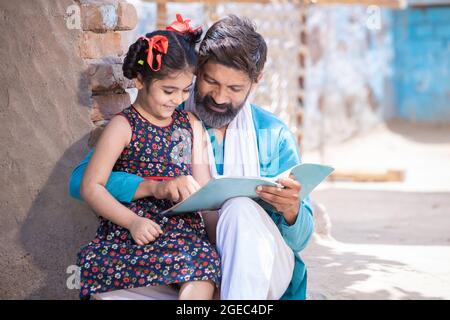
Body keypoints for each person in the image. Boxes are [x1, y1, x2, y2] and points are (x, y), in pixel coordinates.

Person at [70, 15, 314, 300]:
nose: (220, 98)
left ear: (255, 81)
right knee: (115, 291)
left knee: (238, 210)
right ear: (197, 71)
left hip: (259, 269)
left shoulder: (273, 135)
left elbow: (300, 240)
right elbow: (80, 183)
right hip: (179, 255)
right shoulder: (165, 116)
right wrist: (153, 186)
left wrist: (291, 210)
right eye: (210, 82)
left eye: (235, 89)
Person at [75, 16, 221, 300]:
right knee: (101, 266)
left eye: (184, 91)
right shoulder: (123, 126)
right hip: (133, 231)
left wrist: (217, 241)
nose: (176, 99)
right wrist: (132, 222)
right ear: (140, 80)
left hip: (183, 236)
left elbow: (205, 195)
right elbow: (91, 186)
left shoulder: (190, 124)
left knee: (203, 265)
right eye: (168, 90)